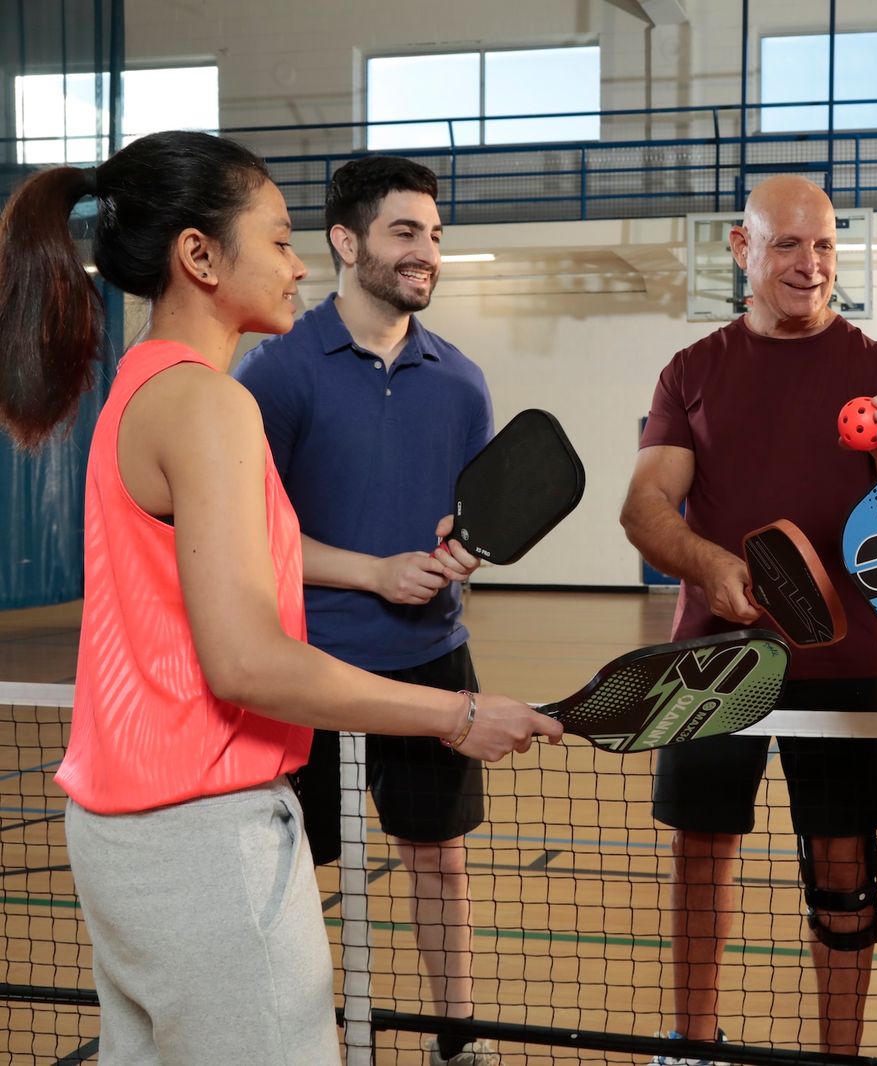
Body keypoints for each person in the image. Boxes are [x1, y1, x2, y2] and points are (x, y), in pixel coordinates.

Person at [0, 131, 560, 1066]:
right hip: (204, 842)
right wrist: (457, 713)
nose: (299, 263)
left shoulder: (144, 388)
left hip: (124, 831)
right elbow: (248, 662)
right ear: (200, 256)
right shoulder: (210, 405)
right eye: (280, 238)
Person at [619, 175, 877, 1064]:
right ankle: (693, 1041)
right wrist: (711, 567)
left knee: (844, 867)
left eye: (826, 244)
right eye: (788, 244)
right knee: (700, 857)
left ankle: (840, 1053)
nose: (811, 264)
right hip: (713, 659)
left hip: (841, 662)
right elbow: (646, 507)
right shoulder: (693, 371)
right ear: (741, 246)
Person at [233, 155, 505, 1066]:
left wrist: (463, 552)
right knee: (289, 875)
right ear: (346, 242)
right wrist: (374, 574)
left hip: (434, 659)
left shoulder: (461, 382)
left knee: (440, 860)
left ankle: (456, 1040)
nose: (427, 251)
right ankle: (300, 1037)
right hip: (307, 668)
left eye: (434, 233)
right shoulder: (276, 372)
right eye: (405, 231)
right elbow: (246, 536)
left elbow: (472, 524)